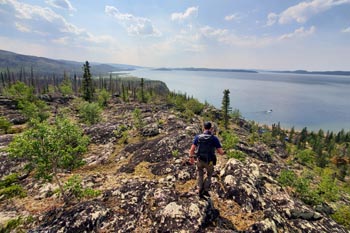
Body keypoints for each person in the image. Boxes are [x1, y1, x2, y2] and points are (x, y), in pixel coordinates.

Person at [189, 121, 224, 197]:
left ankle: (199, 188)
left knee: (200, 173)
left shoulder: (198, 137)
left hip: (200, 159)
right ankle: (205, 190)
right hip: (210, 161)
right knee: (209, 174)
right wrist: (224, 152)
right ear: (211, 128)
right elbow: (221, 152)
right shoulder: (214, 138)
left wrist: (191, 158)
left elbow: (191, 150)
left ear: (203, 128)